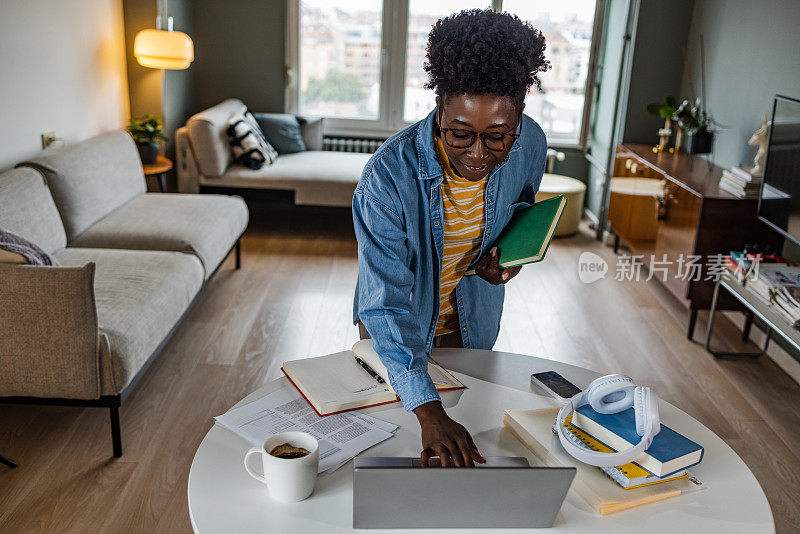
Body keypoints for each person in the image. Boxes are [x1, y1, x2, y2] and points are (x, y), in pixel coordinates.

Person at [352, 9, 550, 467]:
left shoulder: (531, 143)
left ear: (518, 120)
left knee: (470, 454)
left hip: (473, 322)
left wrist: (505, 255)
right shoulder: (385, 179)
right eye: (460, 133)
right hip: (395, 336)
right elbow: (383, 305)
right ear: (439, 108)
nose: (478, 154)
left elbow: (518, 207)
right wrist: (428, 411)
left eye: (498, 137)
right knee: (403, 452)